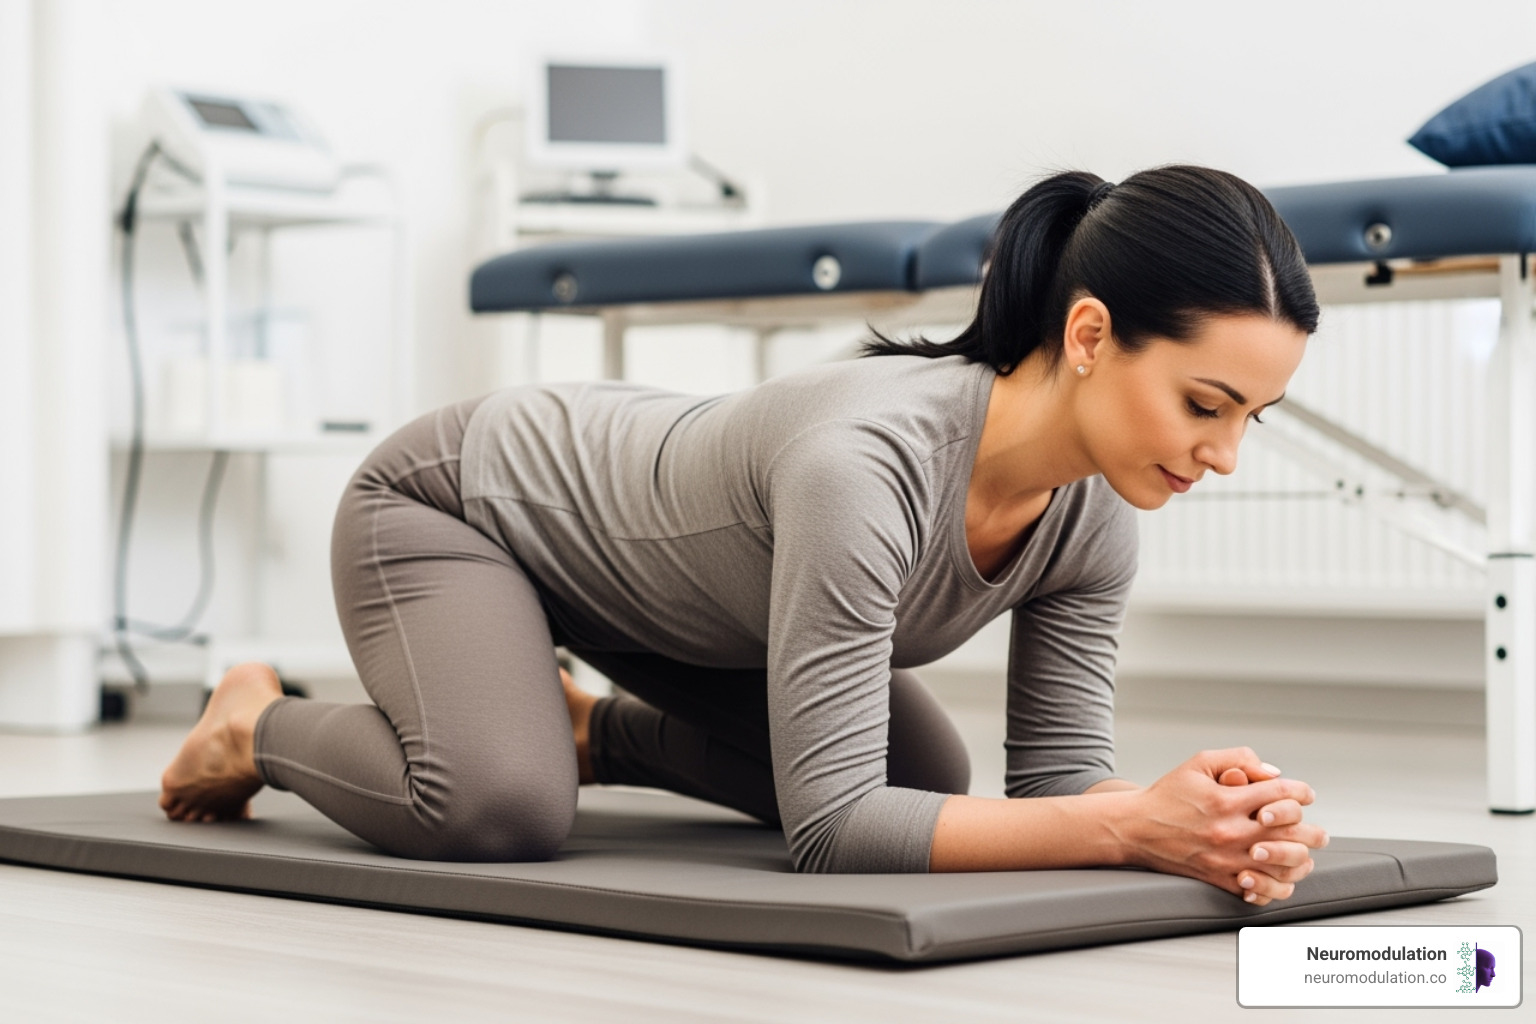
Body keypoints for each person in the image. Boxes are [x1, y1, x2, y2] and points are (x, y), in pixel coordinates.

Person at [160, 165, 1328, 906]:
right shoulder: (865, 466)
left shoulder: (1094, 519)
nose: (1222, 454)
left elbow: (1060, 790)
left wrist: (1206, 824)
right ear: (1087, 334)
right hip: (457, 504)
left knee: (926, 778)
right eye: (1204, 404)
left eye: (1252, 419)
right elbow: (830, 833)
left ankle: (579, 724)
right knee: (495, 810)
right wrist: (1134, 825)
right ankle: (253, 718)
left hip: (661, 585)